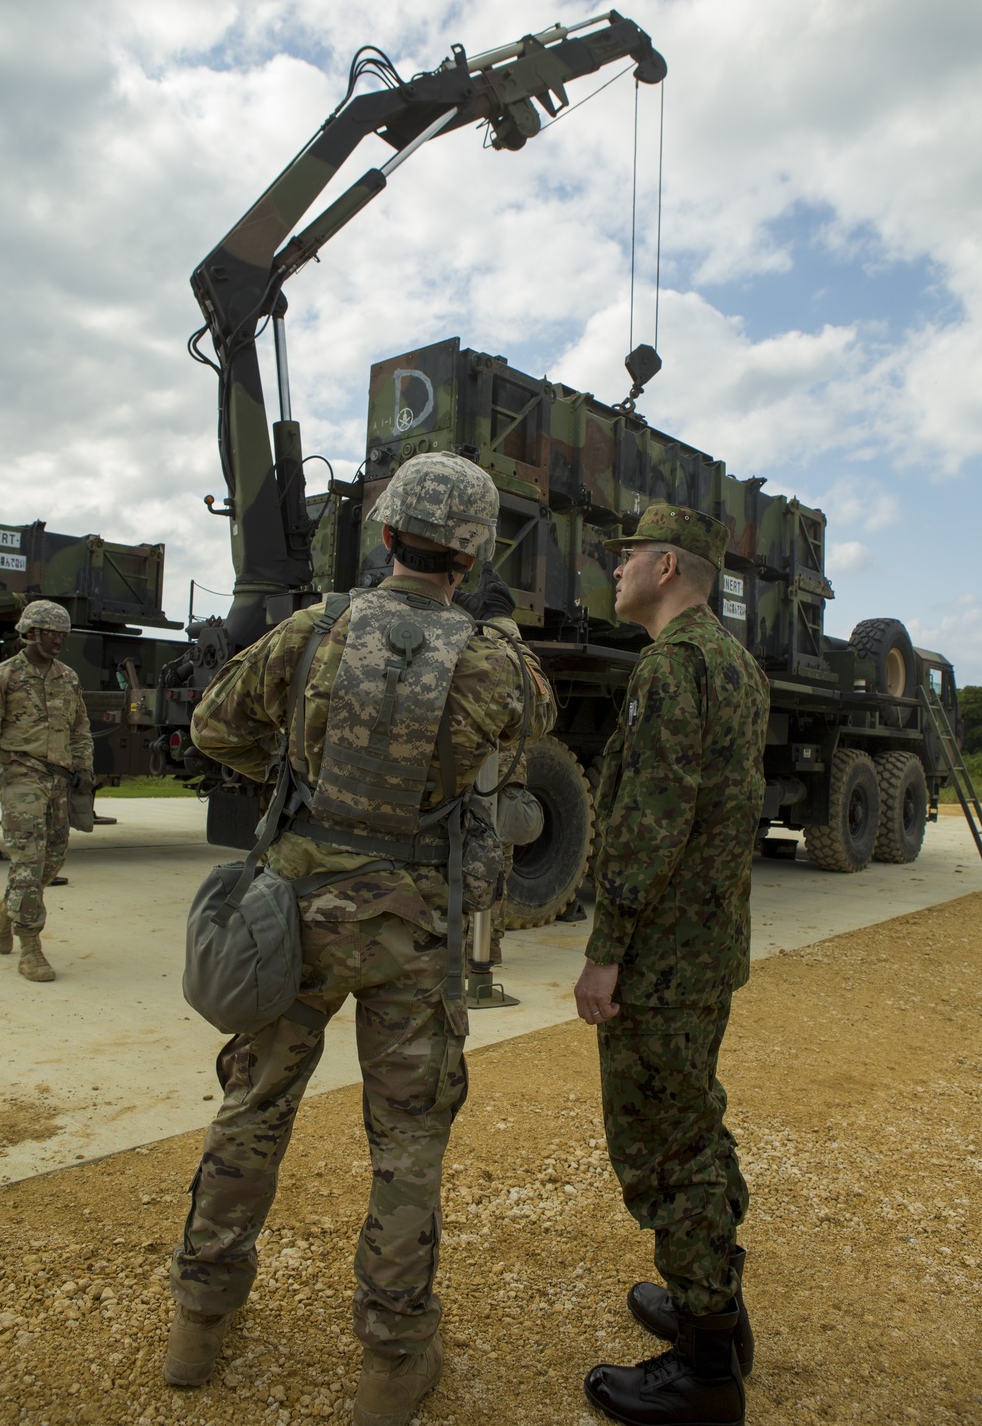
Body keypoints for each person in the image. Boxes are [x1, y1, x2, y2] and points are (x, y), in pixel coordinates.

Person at [164, 453, 555, 1426]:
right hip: (411, 924)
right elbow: (535, 726)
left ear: (384, 534)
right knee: (408, 1143)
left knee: (252, 1109)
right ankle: (390, 1363)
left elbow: (214, 727)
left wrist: (295, 774)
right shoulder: (492, 654)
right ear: (471, 554)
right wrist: (495, 626)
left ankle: (199, 1325)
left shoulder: (315, 628)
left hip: (290, 907)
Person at [573, 504, 769, 1426]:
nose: (614, 572)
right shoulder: (735, 664)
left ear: (664, 569)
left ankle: (703, 1371)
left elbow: (651, 825)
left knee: (665, 1149)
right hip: (707, 950)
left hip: (660, 963)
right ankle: (720, 1321)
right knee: (698, 1122)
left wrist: (604, 955)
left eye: (625, 559)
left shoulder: (671, 667)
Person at [0, 600, 93, 984]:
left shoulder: (68, 678)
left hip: (58, 779)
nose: (57, 640)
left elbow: (80, 729)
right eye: (50, 633)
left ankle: (3, 909)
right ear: (30, 632)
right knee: (28, 860)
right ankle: (30, 947)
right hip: (19, 775)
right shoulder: (1, 677)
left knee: (53, 859)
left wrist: (83, 770)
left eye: (62, 634)